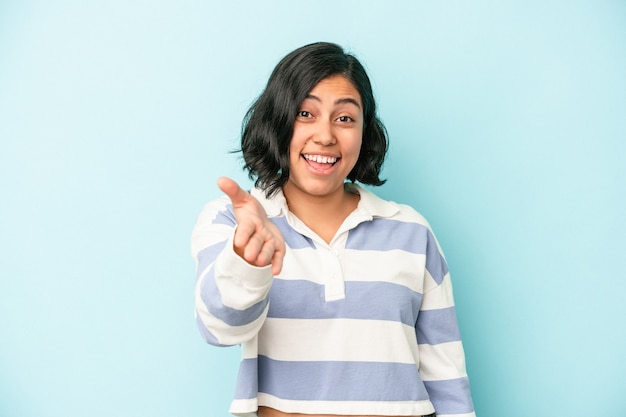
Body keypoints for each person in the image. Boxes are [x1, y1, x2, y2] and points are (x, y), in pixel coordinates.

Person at [192, 42, 475, 417]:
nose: (325, 136)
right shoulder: (233, 223)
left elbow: (447, 379)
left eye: (344, 118)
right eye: (305, 113)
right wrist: (247, 261)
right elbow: (220, 328)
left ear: (364, 132)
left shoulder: (411, 232)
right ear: (278, 121)